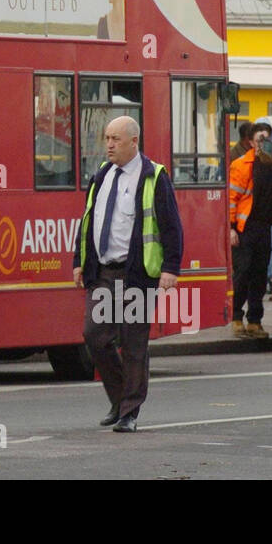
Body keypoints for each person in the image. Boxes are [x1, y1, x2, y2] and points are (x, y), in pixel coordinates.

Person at [72, 115, 182, 432]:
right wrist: (78, 260)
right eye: (106, 138)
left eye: (115, 139)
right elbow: (86, 222)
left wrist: (170, 268)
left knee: (134, 345)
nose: (109, 144)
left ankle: (129, 412)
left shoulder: (153, 177)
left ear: (134, 141)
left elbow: (171, 226)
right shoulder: (102, 176)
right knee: (95, 335)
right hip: (104, 273)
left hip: (136, 274)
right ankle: (119, 399)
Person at [228, 122, 272, 339]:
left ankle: (255, 321)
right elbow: (231, 199)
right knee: (242, 273)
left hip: (264, 227)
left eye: (267, 139)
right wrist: (230, 229)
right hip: (244, 228)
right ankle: (236, 316)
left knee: (259, 275)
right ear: (250, 142)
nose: (264, 144)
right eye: (260, 139)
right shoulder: (241, 165)